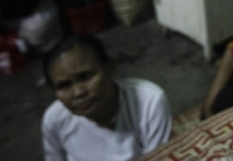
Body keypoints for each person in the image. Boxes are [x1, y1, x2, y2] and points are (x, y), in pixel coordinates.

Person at [41, 34, 172, 161]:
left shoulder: (149, 102)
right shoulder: (55, 119)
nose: (78, 92)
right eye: (64, 85)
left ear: (109, 67)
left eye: (85, 76)